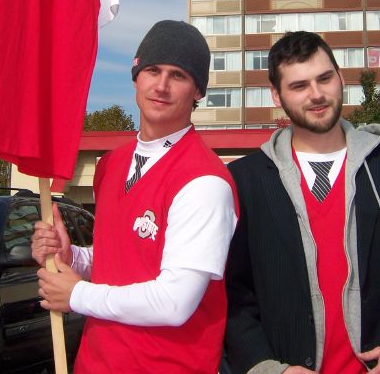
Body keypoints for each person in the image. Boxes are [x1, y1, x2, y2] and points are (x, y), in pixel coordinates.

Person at [224, 31, 380, 374]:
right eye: (299, 85)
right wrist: (266, 367)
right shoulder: (246, 179)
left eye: (324, 78)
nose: (317, 94)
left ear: (340, 77)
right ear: (276, 95)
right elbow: (233, 291)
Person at [31, 20, 238, 374]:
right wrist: (73, 258)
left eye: (178, 75)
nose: (161, 86)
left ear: (198, 91)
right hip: (94, 363)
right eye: (152, 70)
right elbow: (127, 260)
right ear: (136, 75)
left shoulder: (205, 181)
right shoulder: (111, 165)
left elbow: (175, 302)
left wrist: (77, 294)